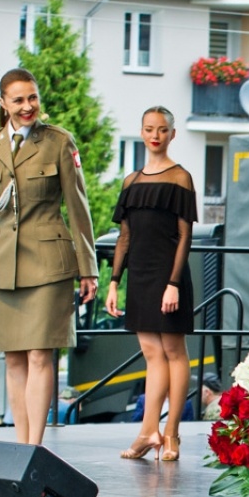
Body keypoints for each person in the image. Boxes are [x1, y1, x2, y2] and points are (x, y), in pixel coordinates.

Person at [0, 68, 98, 447]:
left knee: (40, 356)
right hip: (4, 266)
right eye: (18, 100)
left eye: (32, 97)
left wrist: (87, 269)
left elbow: (78, 208)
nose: (28, 107)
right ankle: (20, 443)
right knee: (13, 360)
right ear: (3, 104)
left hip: (48, 264)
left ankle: (34, 448)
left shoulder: (58, 142)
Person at [105, 106, 199, 462]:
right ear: (141, 132)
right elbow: (124, 237)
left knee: (174, 352)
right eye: (148, 129)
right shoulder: (131, 182)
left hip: (168, 274)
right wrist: (114, 282)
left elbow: (184, 235)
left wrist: (173, 283)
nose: (155, 135)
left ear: (172, 134)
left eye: (162, 129)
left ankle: (172, 433)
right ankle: (149, 431)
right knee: (151, 354)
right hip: (140, 276)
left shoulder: (180, 177)